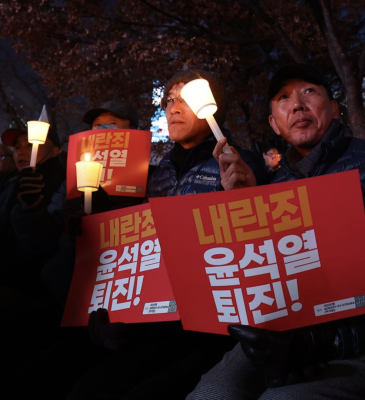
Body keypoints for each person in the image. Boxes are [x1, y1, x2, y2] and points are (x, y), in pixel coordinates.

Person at [188, 63, 365, 399]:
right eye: (283, 98)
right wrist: (245, 205)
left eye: (309, 91)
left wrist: (321, 340)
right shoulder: (271, 185)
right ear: (274, 124)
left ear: (335, 108)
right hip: (281, 335)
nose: (297, 104)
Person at [68, 70, 266, 400]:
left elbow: (250, 254)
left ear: (211, 106)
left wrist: (242, 201)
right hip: (155, 322)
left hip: (210, 332)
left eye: (186, 99)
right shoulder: (156, 176)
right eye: (170, 100)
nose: (173, 108)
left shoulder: (240, 165)